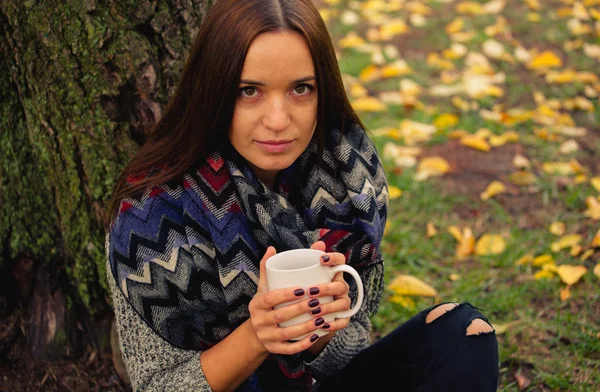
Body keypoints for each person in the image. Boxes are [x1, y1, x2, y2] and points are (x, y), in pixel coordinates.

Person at [105, 0, 500, 391]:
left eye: (300, 89)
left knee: (464, 334)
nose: (278, 120)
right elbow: (158, 384)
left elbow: (351, 354)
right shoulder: (152, 215)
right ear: (214, 91)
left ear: (321, 90)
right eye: (249, 91)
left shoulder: (346, 182)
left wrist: (321, 325)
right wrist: (258, 336)